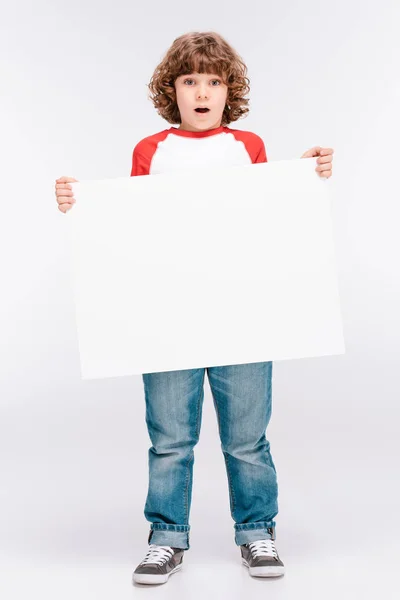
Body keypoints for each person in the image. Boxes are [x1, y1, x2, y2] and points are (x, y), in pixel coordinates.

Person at [55, 31, 334, 586]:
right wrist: (78, 206)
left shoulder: (247, 145)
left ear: (229, 91)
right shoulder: (150, 150)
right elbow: (128, 227)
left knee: (247, 438)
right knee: (170, 438)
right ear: (172, 90)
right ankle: (166, 538)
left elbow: (265, 213)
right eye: (189, 81)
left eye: (214, 80)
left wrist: (302, 175)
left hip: (242, 317)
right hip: (168, 320)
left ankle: (257, 531)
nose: (201, 91)